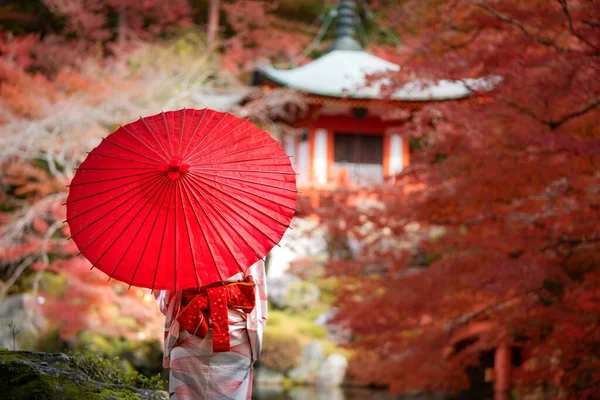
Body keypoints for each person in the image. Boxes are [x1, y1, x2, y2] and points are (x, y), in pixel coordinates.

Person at [154, 259, 267, 400]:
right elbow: (257, 294)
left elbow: (166, 301)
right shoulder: (246, 244)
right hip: (236, 336)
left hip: (190, 328)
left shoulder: (177, 246)